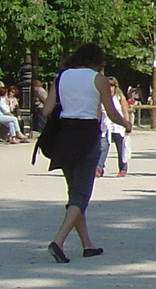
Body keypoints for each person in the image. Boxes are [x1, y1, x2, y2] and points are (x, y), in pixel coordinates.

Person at [38, 42, 132, 263]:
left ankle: (87, 244)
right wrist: (126, 123)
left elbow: (46, 109)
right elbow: (110, 112)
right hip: (87, 134)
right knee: (81, 195)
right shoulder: (98, 79)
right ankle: (58, 241)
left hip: (64, 135)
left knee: (74, 193)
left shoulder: (61, 77)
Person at [95, 77, 132, 177]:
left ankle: (123, 168)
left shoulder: (119, 98)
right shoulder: (101, 98)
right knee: (103, 147)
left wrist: (127, 124)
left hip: (118, 126)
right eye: (108, 85)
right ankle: (99, 168)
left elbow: (125, 112)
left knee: (121, 148)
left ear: (115, 86)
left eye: (111, 85)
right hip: (105, 126)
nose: (110, 87)